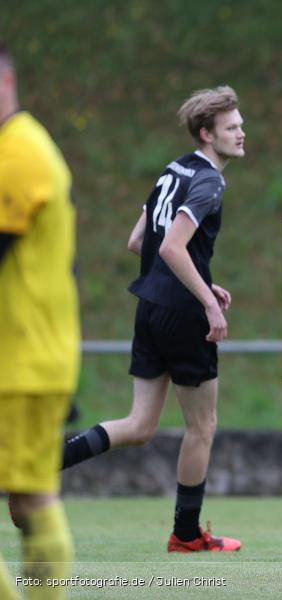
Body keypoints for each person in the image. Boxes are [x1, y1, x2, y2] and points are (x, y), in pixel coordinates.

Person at [60, 86, 245, 553]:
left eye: (240, 124)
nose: (242, 133)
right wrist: (204, 300)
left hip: (150, 309)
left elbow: (137, 240)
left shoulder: (174, 169)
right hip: (183, 318)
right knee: (202, 427)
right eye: (231, 128)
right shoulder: (209, 180)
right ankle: (186, 535)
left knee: (140, 424)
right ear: (207, 134)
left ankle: (46, 462)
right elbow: (167, 246)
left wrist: (201, 279)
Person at [0, 41, 78, 598]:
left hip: (21, 362)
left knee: (32, 498)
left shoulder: (19, 153)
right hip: (21, 357)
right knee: (29, 498)